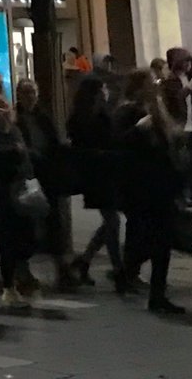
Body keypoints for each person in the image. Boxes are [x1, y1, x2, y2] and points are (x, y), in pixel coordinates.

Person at [115, 71, 185, 314]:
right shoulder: (128, 112)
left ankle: (154, 291)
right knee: (150, 239)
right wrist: (138, 129)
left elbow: (167, 142)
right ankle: (127, 272)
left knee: (161, 242)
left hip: (160, 185)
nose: (154, 87)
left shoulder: (155, 109)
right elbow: (120, 145)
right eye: (149, 83)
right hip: (142, 187)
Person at [0, 87, 36, 308]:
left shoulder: (12, 132)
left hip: (13, 192)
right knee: (4, 241)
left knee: (9, 240)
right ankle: (9, 287)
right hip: (0, 195)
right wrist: (15, 151)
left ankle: (10, 280)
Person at [14, 78, 74, 291]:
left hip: (47, 174)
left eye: (33, 93)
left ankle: (62, 267)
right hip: (29, 175)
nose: (30, 97)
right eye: (26, 93)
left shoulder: (43, 117)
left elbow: (54, 141)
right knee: (28, 224)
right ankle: (22, 270)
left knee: (54, 221)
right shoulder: (15, 119)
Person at [67, 75, 125, 290]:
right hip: (95, 174)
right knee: (112, 222)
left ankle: (85, 260)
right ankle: (118, 270)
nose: (105, 93)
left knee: (110, 222)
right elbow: (79, 147)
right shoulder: (81, 119)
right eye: (101, 90)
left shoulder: (103, 115)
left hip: (107, 171)